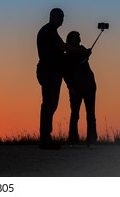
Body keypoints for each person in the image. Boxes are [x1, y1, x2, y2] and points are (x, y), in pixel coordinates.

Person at [36, 8, 90, 149]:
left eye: (63, 16)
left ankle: (45, 137)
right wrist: (79, 51)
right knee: (49, 104)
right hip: (49, 71)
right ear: (52, 16)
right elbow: (62, 47)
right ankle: (45, 139)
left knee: (49, 104)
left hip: (50, 71)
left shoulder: (51, 32)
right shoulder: (49, 31)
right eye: (60, 16)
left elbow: (61, 50)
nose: (62, 19)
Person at [64, 31, 97, 146]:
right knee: (75, 114)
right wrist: (70, 86)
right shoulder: (67, 55)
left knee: (91, 114)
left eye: (78, 37)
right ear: (69, 40)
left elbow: (83, 53)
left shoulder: (82, 50)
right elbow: (66, 73)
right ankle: (73, 140)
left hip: (89, 87)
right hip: (76, 89)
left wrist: (86, 53)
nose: (77, 39)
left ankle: (92, 140)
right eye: (74, 38)